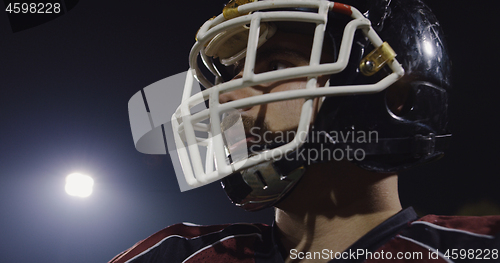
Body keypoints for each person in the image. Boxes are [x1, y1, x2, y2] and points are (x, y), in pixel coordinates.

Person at [110, 0, 500, 262]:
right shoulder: (176, 255)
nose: (230, 98)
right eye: (228, 77)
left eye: (277, 66)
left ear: (395, 92)